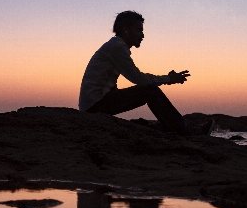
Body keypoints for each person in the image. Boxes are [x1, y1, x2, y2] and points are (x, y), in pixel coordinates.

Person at [78, 11, 212, 135]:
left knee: (148, 92)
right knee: (150, 91)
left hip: (94, 103)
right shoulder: (117, 47)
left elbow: (107, 83)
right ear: (126, 30)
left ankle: (174, 126)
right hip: (95, 105)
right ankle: (186, 131)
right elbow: (138, 78)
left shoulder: (115, 46)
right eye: (139, 30)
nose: (142, 35)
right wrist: (169, 78)